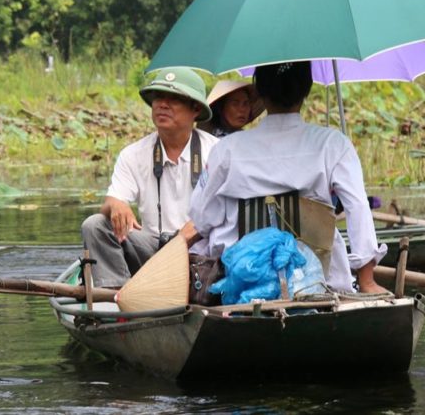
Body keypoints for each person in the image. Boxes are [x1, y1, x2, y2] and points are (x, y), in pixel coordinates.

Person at [182, 60, 388, 294]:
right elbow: (358, 207)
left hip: (242, 280)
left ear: (259, 92)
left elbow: (202, 216)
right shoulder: (333, 144)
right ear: (307, 89)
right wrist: (367, 281)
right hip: (320, 280)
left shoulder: (226, 149)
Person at [81, 67, 220, 288]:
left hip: (202, 256)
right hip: (153, 250)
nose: (162, 104)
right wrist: (116, 205)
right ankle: (115, 295)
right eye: (158, 97)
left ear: (195, 109)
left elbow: (224, 211)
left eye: (174, 99)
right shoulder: (133, 154)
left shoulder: (217, 152)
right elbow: (110, 203)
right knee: (95, 225)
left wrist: (183, 240)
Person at [197, 80, 264, 137]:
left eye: (246, 104)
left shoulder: (249, 139)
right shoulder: (210, 140)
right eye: (235, 104)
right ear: (221, 108)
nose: (242, 109)